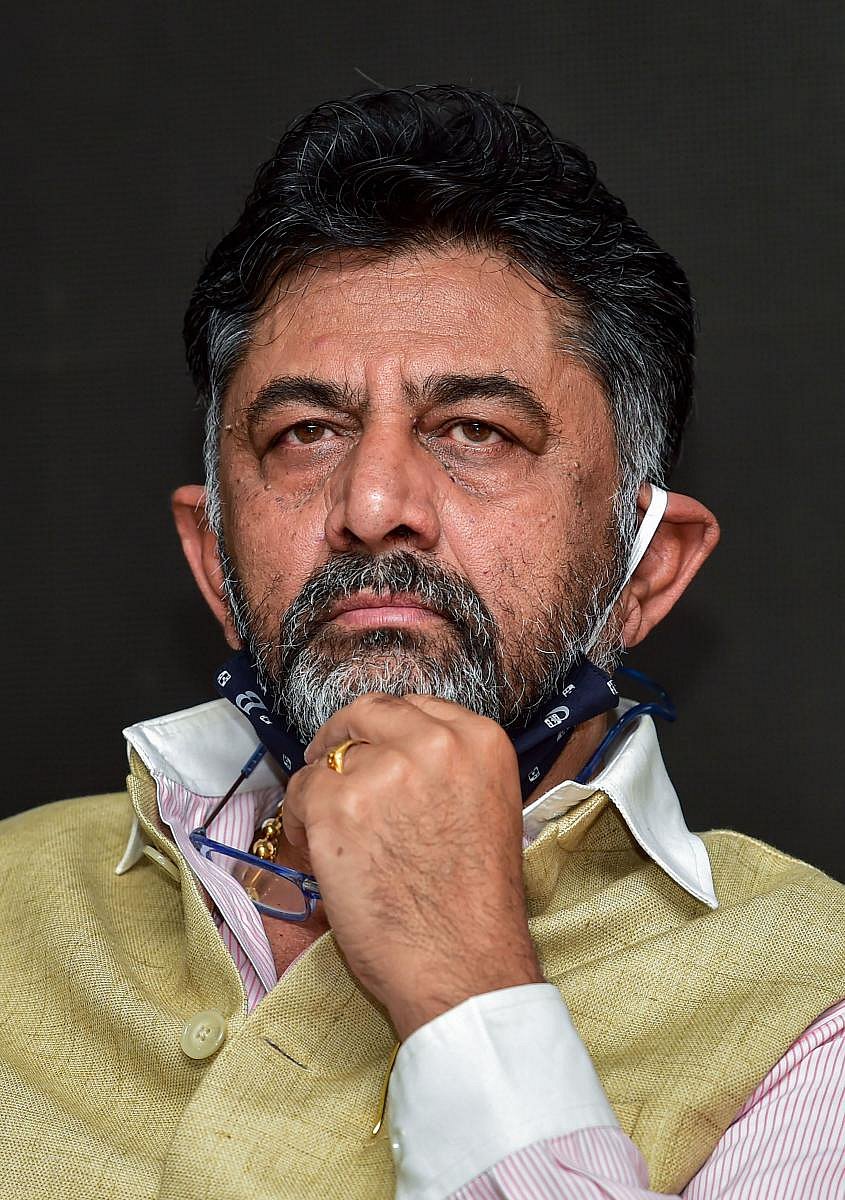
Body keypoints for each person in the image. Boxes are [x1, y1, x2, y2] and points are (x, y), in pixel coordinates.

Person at [2, 86, 843, 1200]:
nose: (372, 504)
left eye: (476, 430)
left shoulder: (812, 1010)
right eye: (305, 432)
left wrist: (463, 982)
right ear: (213, 560)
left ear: (646, 570)